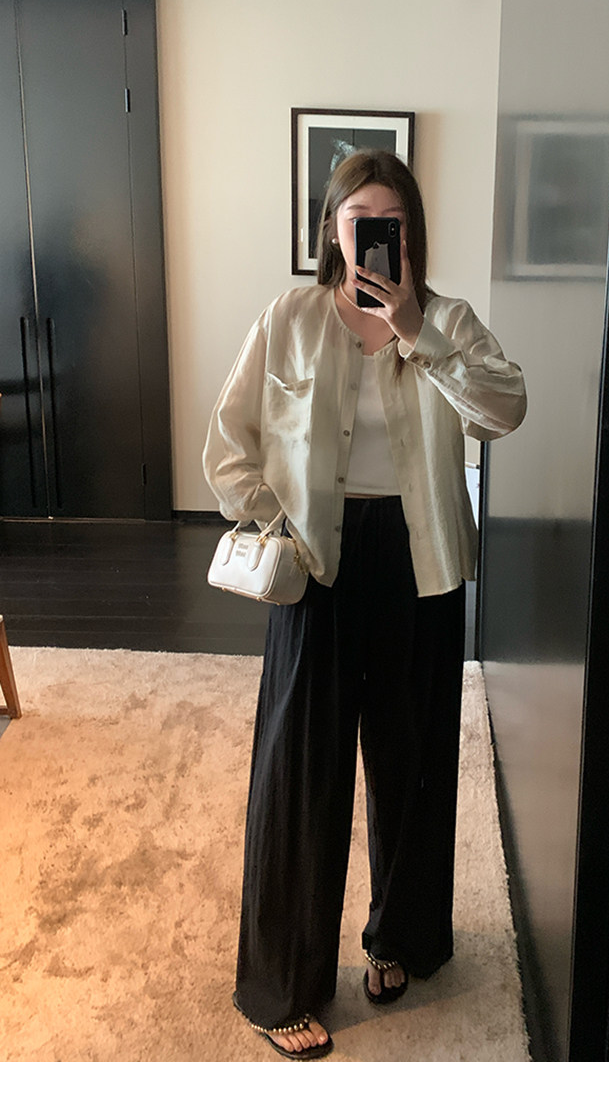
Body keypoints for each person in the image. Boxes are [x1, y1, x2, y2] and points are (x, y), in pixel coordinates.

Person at [203, 149, 526, 1060]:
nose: (377, 238)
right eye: (360, 222)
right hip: (319, 563)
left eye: (394, 223)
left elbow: (504, 411)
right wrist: (280, 523)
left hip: (421, 565)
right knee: (299, 774)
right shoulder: (292, 318)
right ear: (334, 231)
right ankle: (281, 984)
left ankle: (402, 940)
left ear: (412, 233)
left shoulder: (448, 322)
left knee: (412, 766)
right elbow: (227, 447)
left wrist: (416, 328)